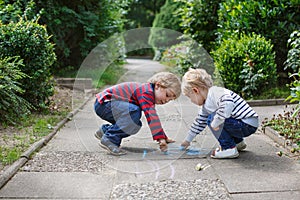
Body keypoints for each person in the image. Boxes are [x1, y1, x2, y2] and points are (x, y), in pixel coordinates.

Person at [94, 72, 181, 156]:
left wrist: (163, 137)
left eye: (170, 100)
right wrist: (161, 138)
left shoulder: (148, 92)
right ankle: (110, 139)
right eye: (167, 95)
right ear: (158, 85)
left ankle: (105, 130)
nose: (166, 100)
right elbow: (151, 116)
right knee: (134, 111)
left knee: (135, 125)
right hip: (105, 104)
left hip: (109, 106)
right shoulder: (146, 92)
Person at [181, 68, 259, 158]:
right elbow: (199, 123)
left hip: (246, 123)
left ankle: (228, 148)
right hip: (243, 124)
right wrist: (187, 140)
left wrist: (216, 121)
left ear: (195, 91)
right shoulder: (206, 105)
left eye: (190, 97)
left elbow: (228, 104)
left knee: (213, 119)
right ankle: (238, 143)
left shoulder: (215, 92)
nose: (191, 101)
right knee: (213, 118)